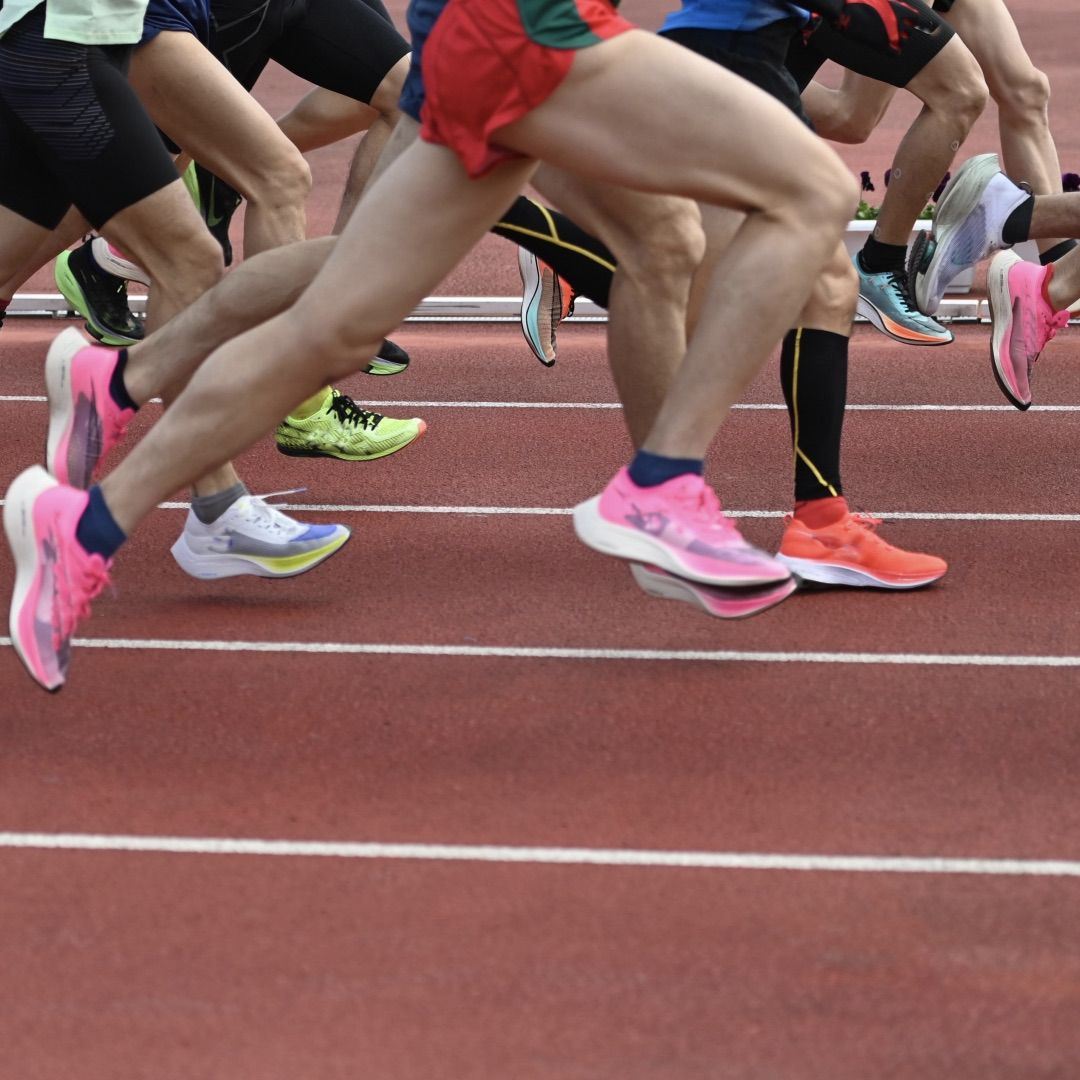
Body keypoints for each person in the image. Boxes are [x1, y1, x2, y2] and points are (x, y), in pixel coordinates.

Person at [5, 0, 864, 689]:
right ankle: (664, 483)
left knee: (336, 322)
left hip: (471, 41)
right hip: (525, 30)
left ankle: (85, 519)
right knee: (810, 190)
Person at [0, 0, 353, 584]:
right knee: (188, 259)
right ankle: (217, 507)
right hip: (65, 32)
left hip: (126, 25)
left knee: (276, 178)